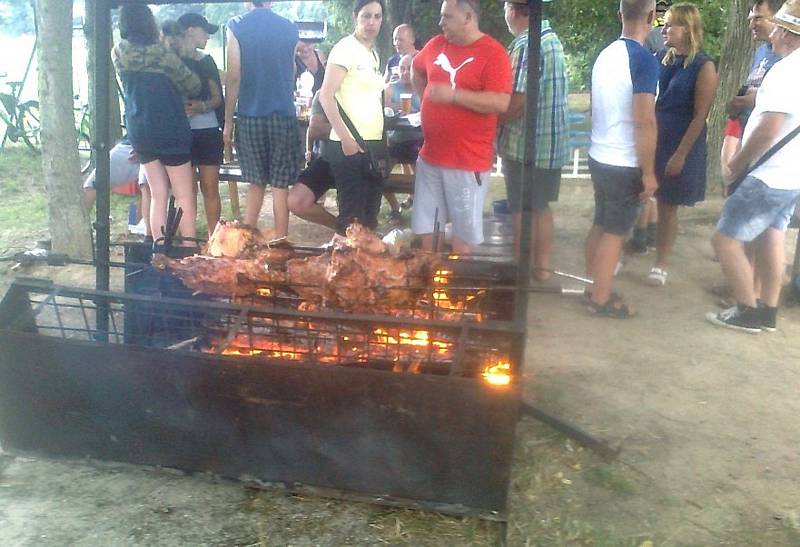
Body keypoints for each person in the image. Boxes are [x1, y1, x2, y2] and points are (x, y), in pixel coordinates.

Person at [706, 0, 800, 333]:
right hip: (791, 176)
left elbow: (769, 126)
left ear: (787, 32)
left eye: (777, 25)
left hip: (767, 174)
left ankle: (747, 309)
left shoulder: (786, 70)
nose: (771, 30)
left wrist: (738, 161)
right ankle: (767, 311)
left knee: (725, 240)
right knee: (772, 238)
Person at [410, 0, 512, 254]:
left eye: (447, 16)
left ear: (468, 17)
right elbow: (416, 67)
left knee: (462, 238)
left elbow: (500, 102)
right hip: (431, 157)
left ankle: (455, 290)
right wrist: (425, 99)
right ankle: (430, 289)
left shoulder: (493, 53)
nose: (440, 22)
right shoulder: (436, 45)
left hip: (468, 163)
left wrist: (453, 96)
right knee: (427, 231)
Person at [584, 0, 659, 317]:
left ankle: (594, 287)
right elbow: (644, 120)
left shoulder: (605, 55)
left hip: (599, 153)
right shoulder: (643, 60)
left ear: (620, 15)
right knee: (615, 232)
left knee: (601, 225)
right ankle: (600, 299)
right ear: (653, 17)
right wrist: (648, 173)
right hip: (623, 160)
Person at [113, 4, 201, 244]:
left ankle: (159, 250)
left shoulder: (119, 51)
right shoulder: (163, 55)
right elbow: (193, 85)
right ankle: (189, 248)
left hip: (140, 130)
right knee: (183, 195)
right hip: (171, 129)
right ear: (148, 22)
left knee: (158, 192)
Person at [646, 3, 718, 286]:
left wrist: (680, 155)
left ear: (687, 29)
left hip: (681, 139)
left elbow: (700, 116)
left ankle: (661, 262)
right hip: (656, 134)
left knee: (667, 205)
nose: (664, 29)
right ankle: (631, 245)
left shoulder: (704, 65)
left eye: (671, 25)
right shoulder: (662, 56)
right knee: (640, 193)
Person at [497, 0, 569, 282]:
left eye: (505, 7)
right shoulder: (550, 39)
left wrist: (491, 123)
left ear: (514, 11)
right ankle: (543, 268)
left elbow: (517, 101)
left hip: (527, 144)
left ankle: (520, 269)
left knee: (521, 209)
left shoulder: (528, 44)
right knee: (540, 207)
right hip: (549, 143)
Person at [224, 2, 302, 237]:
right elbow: (291, 71)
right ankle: (280, 245)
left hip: (250, 116)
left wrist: (228, 122)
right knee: (280, 186)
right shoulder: (289, 27)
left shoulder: (237, 26)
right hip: (283, 115)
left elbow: (234, 75)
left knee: (256, 183)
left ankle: (245, 243)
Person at [319, 0, 387, 237]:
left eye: (377, 17)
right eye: (366, 16)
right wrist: (346, 139)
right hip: (349, 144)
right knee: (351, 220)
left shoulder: (373, 53)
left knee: (368, 219)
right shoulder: (345, 48)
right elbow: (325, 95)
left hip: (373, 143)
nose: (372, 22)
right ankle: (341, 269)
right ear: (355, 17)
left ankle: (363, 270)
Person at [176, 13, 225, 236]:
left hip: (207, 131)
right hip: (180, 133)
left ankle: (214, 241)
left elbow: (218, 98)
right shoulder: (170, 60)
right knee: (185, 191)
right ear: (190, 30)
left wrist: (200, 107)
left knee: (210, 187)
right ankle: (189, 239)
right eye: (205, 30)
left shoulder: (206, 61)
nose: (207, 36)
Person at [727, 0, 783, 126]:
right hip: (746, 129)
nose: (751, 26)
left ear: (778, 17)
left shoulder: (791, 55)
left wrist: (749, 101)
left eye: (757, 19)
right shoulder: (760, 52)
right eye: (750, 20)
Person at [287, 91, 337, 230]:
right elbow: (315, 129)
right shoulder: (323, 93)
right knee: (296, 202)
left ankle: (354, 233)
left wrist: (331, 127)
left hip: (356, 162)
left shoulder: (363, 92)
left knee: (355, 215)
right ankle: (340, 227)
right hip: (327, 161)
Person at [383, 52, 423, 224]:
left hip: (418, 141)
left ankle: (420, 208)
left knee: (426, 175)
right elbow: (385, 109)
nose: (406, 72)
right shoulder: (390, 88)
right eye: (402, 68)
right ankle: (394, 208)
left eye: (409, 68)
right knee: (380, 173)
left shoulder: (423, 87)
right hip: (395, 140)